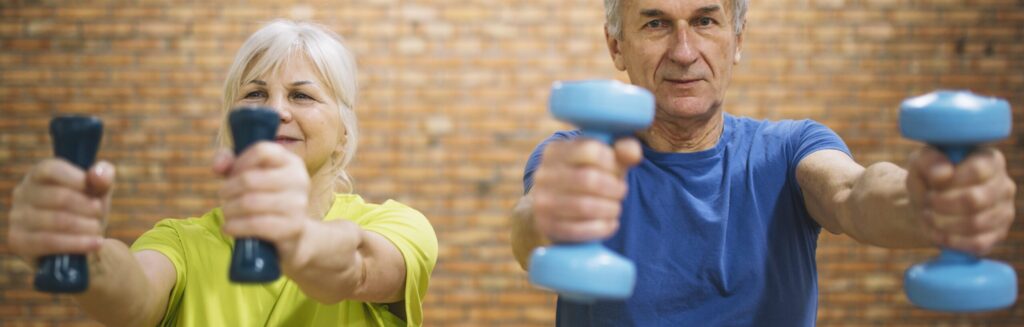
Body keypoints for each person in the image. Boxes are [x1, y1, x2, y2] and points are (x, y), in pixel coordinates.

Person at [509, 0, 1016, 325]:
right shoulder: (577, 158)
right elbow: (533, 228)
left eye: (706, 21)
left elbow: (852, 193)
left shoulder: (790, 147)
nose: (684, 51)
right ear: (616, 45)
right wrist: (551, 214)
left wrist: (926, 200)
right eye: (656, 23)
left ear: (738, 41)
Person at [8, 20, 438, 326]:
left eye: (302, 95)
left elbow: (358, 267)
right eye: (255, 93)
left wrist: (292, 239)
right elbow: (133, 297)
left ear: (344, 133)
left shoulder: (398, 225)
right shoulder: (182, 240)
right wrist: (83, 251)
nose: (275, 112)